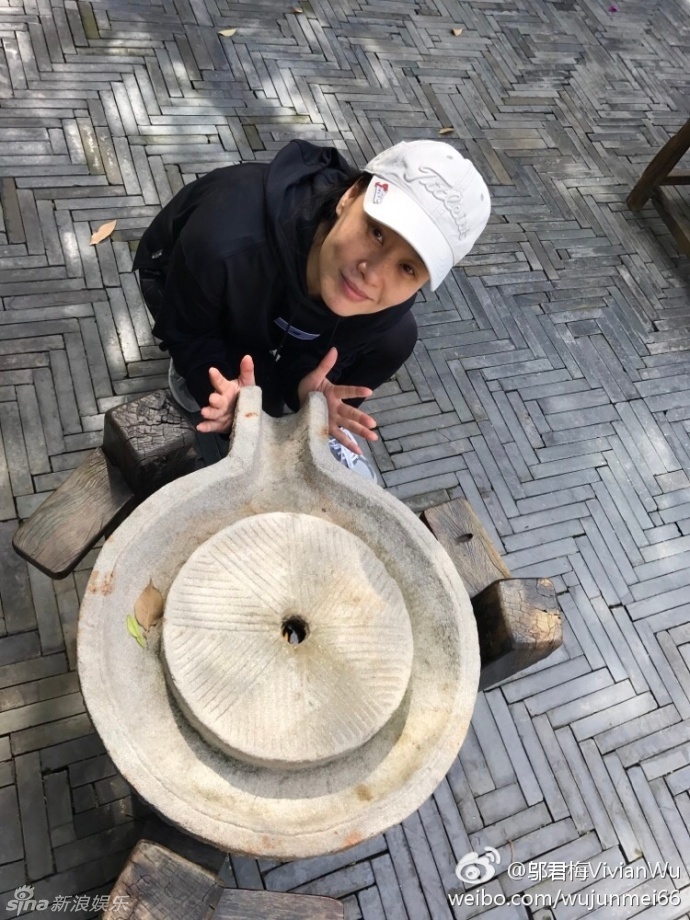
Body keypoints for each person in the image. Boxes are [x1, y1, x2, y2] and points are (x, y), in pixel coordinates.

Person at [133, 139, 490, 477]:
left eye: (408, 267)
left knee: (397, 336)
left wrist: (307, 390)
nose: (373, 275)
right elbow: (187, 331)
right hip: (181, 276)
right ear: (350, 196)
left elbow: (322, 352)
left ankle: (313, 424)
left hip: (278, 310)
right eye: (377, 232)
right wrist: (213, 382)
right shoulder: (224, 241)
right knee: (256, 402)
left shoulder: (387, 296)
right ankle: (196, 375)